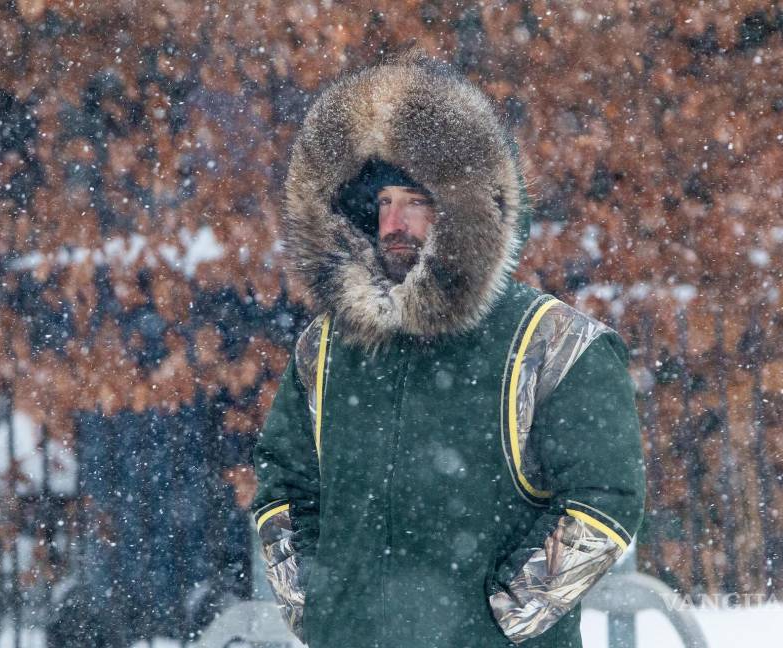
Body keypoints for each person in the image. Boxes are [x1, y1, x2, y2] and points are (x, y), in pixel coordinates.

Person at [252, 52, 646, 648]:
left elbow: (606, 498)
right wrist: (320, 605)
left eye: (415, 200)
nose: (394, 222)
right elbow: (283, 488)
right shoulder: (327, 346)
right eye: (382, 202)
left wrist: (505, 619)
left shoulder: (552, 342)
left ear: (465, 209)